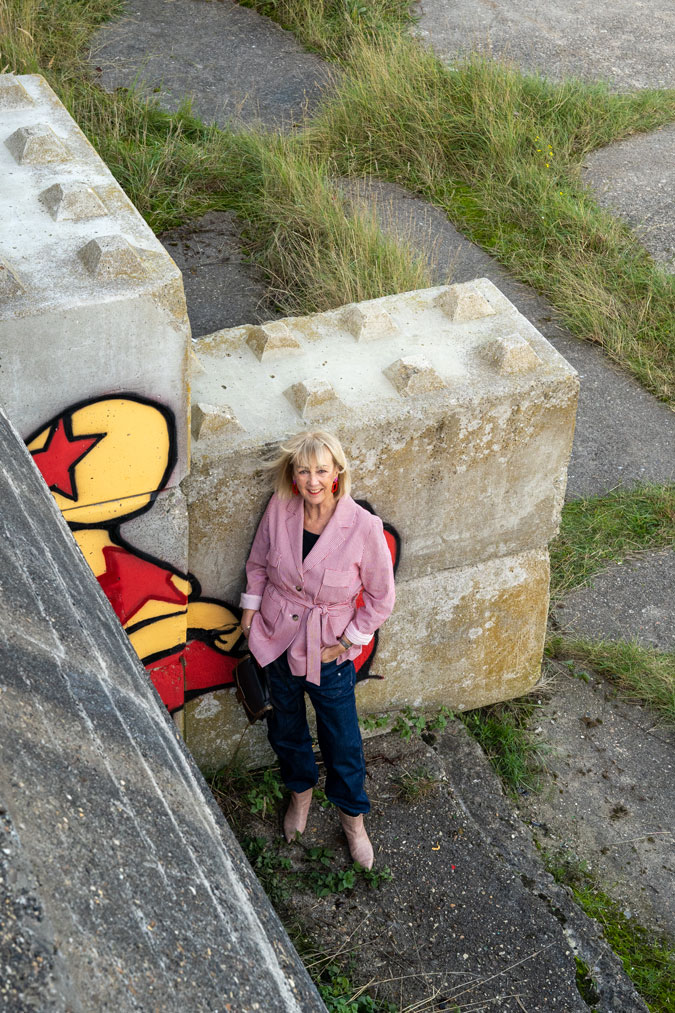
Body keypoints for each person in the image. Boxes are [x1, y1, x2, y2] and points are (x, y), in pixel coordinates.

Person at [240, 430, 395, 869]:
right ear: (294, 474)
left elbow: (382, 598)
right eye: (304, 470)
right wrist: (250, 613)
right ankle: (300, 797)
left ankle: (353, 821)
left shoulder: (363, 527)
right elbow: (257, 565)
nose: (312, 480)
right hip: (275, 640)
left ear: (336, 474)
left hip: (328, 651)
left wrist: (348, 641)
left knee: (342, 740)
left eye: (321, 470)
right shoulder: (280, 509)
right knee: (285, 729)